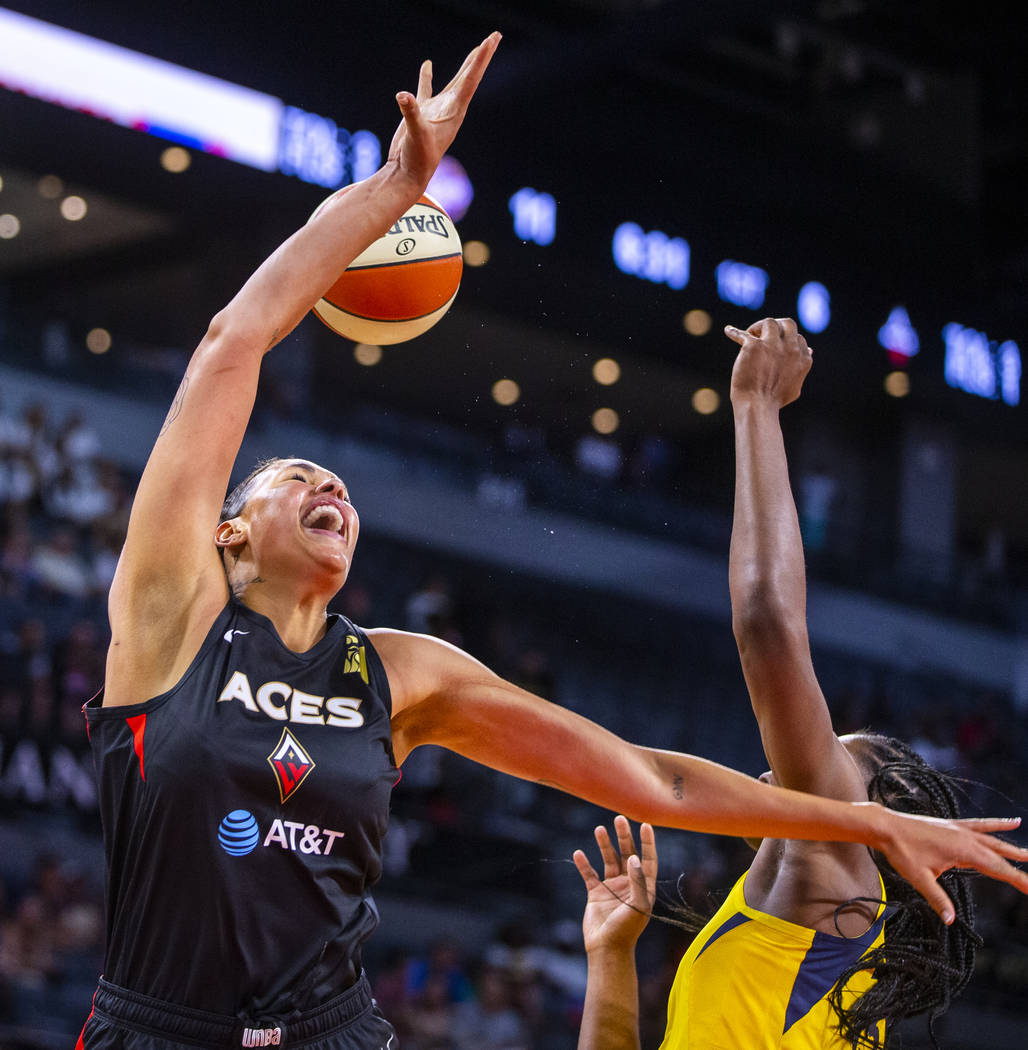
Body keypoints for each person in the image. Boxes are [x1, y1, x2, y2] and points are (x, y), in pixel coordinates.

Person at [77, 31, 1028, 1049]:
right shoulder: (171, 612)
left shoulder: (403, 674)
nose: (330, 487)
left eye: (340, 484)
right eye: (295, 479)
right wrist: (394, 187)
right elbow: (233, 340)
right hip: (158, 1024)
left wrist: (867, 823)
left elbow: (651, 781)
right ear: (227, 531)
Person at [573, 317, 1025, 1049]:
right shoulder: (829, 968)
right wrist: (612, 959)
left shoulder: (836, 870)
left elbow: (769, 628)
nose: (778, 768)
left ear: (879, 820)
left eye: (827, 757)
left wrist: (756, 409)